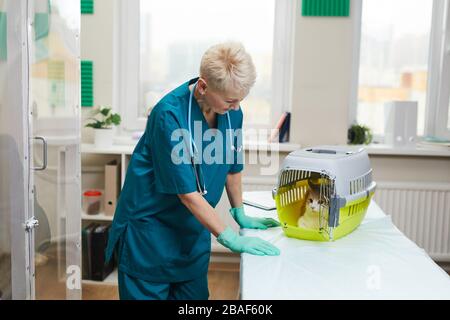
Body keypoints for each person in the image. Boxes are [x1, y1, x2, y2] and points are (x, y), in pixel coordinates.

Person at [105, 42, 280, 300]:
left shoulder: (233, 113)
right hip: (150, 235)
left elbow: (232, 167)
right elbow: (187, 193)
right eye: (230, 100)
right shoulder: (169, 115)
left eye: (240, 100)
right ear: (203, 86)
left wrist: (239, 212)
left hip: (191, 236)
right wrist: (229, 237)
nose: (235, 106)